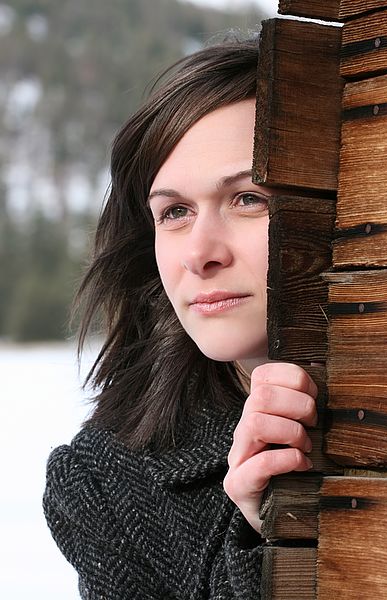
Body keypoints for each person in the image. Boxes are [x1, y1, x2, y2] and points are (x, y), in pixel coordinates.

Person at [43, 31, 318, 600]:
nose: (200, 253)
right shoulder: (109, 483)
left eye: (249, 199)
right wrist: (273, 547)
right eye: (174, 212)